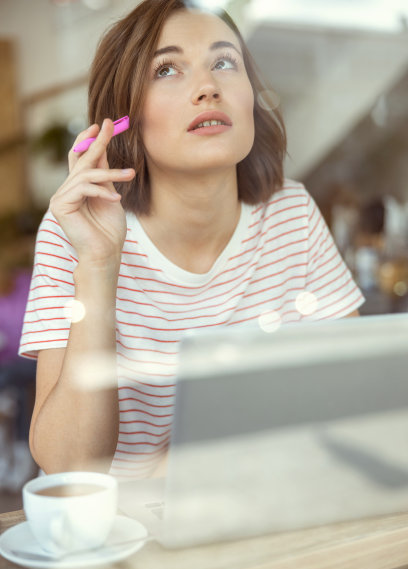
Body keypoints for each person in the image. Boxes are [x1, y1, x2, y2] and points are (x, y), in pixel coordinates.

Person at [19, 0, 363, 480]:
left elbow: (361, 395)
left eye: (225, 62)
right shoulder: (73, 233)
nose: (208, 88)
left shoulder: (290, 212)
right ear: (123, 118)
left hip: (263, 505)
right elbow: (68, 467)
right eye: (167, 69)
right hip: (122, 533)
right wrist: (98, 264)